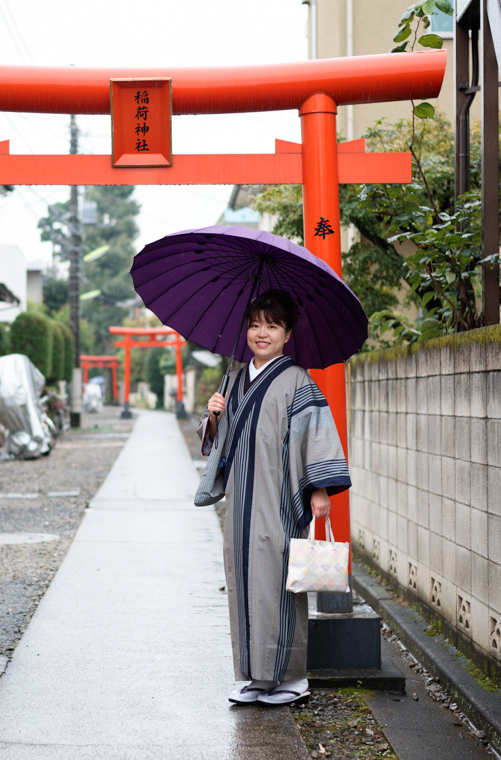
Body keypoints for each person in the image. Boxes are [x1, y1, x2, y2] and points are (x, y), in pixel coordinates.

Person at [199, 289, 351, 706]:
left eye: (272, 325)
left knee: (280, 582)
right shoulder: (233, 378)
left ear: (286, 333)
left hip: (279, 497)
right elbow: (219, 443)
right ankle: (252, 675)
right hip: (240, 500)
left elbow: (315, 438)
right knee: (243, 580)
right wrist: (214, 416)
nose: (261, 333)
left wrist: (319, 490)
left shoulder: (297, 380)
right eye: (254, 324)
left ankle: (291, 677)